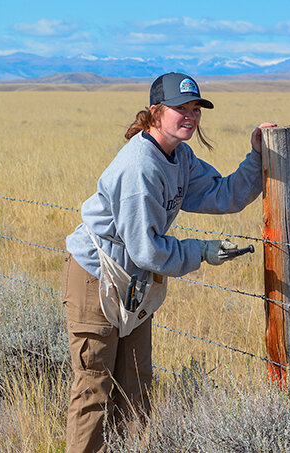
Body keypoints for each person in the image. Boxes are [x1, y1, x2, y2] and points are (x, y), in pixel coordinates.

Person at [62, 72, 276, 452]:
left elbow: (222, 194)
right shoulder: (139, 166)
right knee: (94, 387)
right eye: (181, 108)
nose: (190, 116)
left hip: (135, 280)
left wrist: (256, 156)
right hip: (96, 276)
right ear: (156, 112)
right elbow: (146, 249)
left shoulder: (180, 156)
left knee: (136, 386)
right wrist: (201, 252)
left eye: (195, 108)